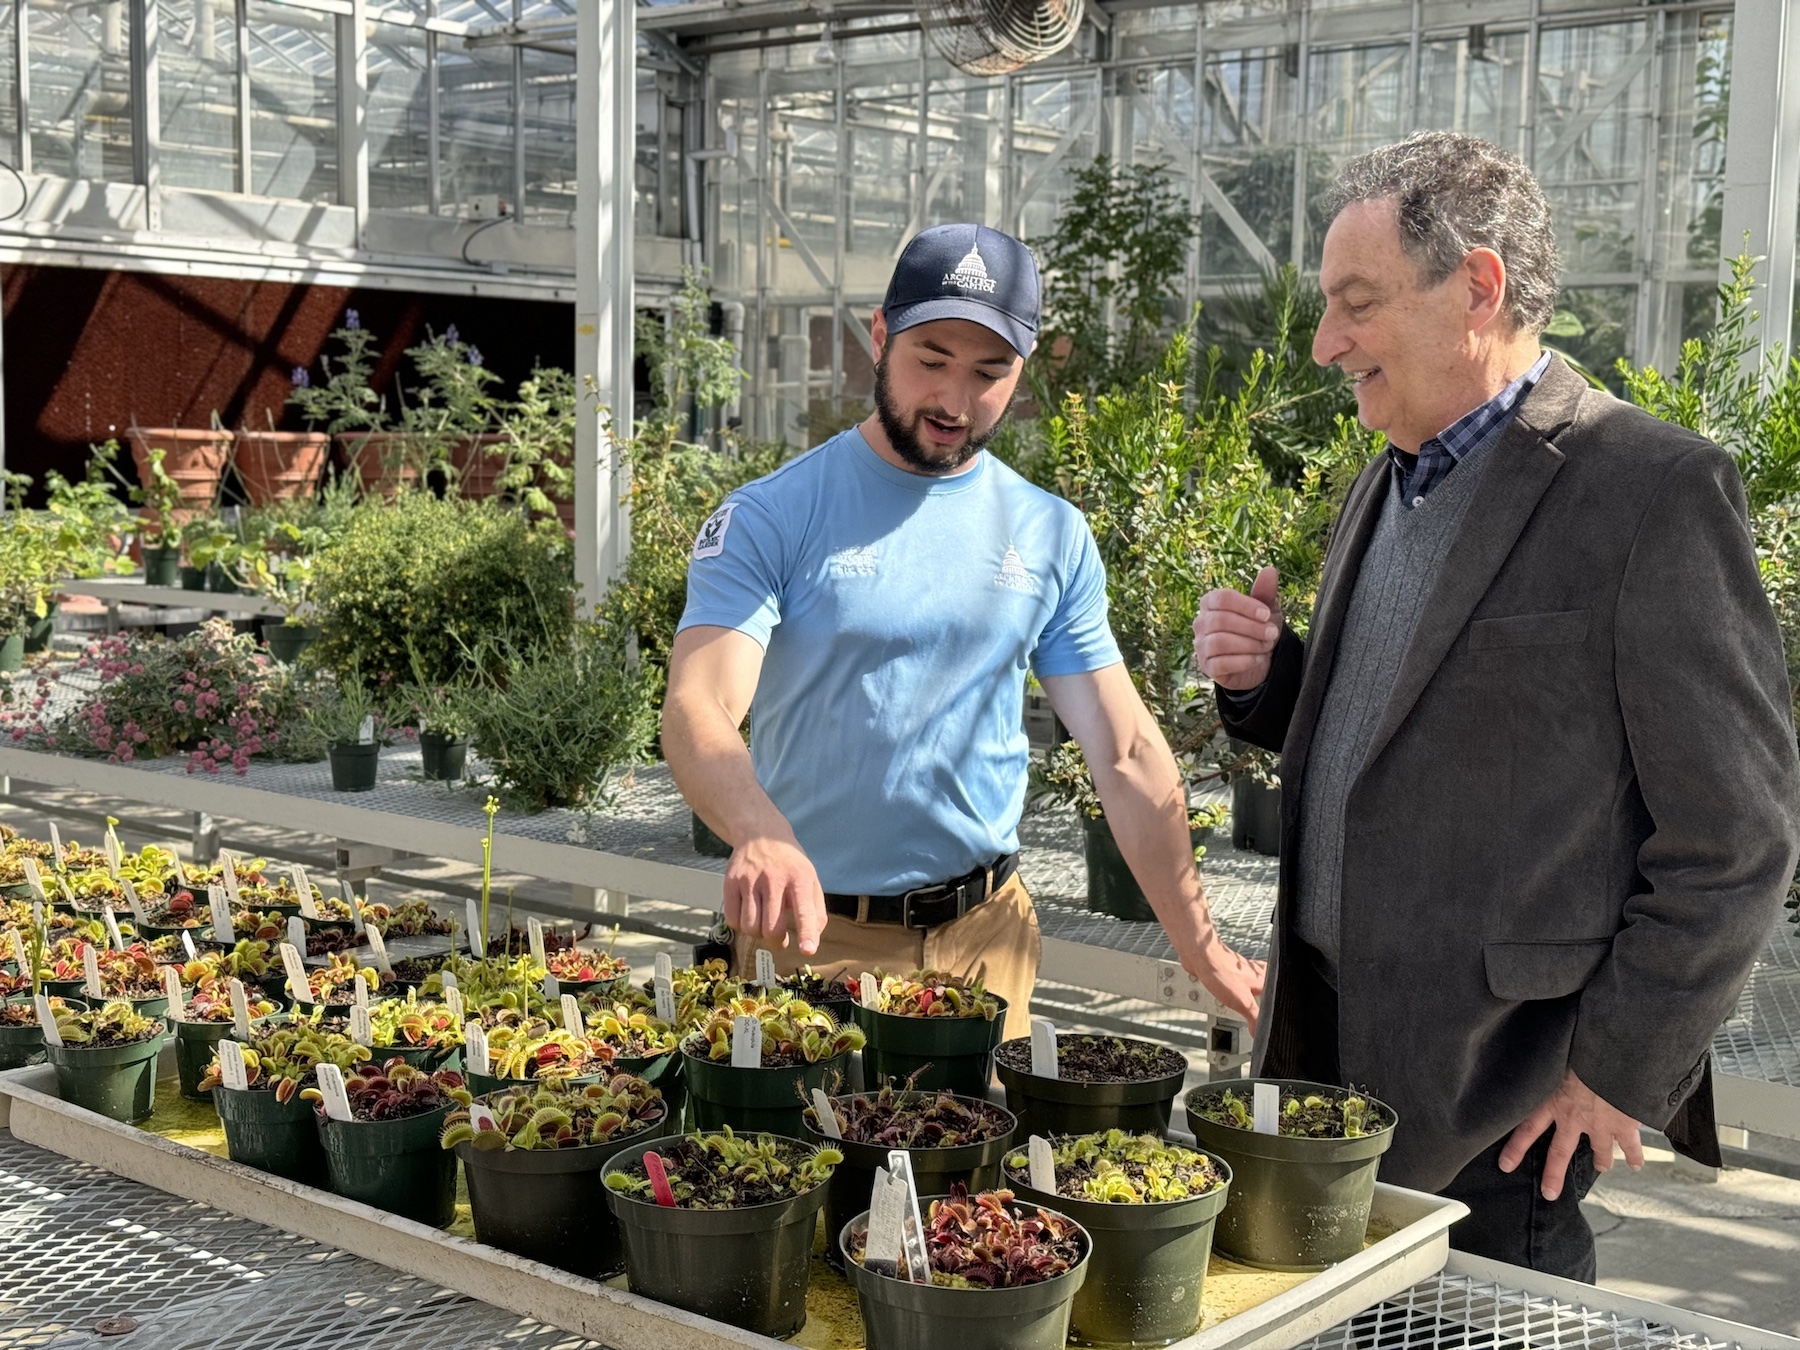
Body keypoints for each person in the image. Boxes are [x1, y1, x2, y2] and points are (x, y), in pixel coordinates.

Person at [1193, 131, 1800, 1280]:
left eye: (1356, 304)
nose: (1327, 345)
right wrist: (1274, 681)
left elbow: (1739, 836)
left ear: (1478, 286)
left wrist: (1620, 1071)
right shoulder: (1392, 471)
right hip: (1326, 1056)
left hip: (1497, 1101)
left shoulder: (1651, 489)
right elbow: (1417, 719)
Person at [662, 222, 1264, 1044]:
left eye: (989, 373)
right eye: (931, 360)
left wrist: (1199, 943)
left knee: (979, 1168)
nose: (953, 402)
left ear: (1026, 366)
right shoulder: (776, 514)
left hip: (988, 940)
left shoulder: (1048, 533)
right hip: (811, 932)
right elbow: (698, 706)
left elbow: (1125, 753)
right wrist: (759, 830)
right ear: (880, 335)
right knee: (803, 1166)